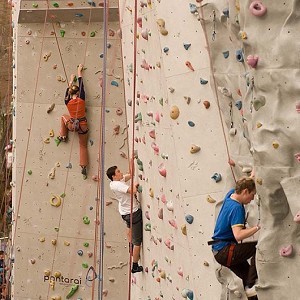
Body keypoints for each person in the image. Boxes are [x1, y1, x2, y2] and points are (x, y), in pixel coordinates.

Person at [209, 177, 260, 299]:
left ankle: (252, 292)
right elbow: (238, 235)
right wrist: (257, 228)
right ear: (245, 192)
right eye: (252, 195)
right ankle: (251, 285)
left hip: (219, 251)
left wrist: (253, 174)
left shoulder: (230, 195)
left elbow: (245, 182)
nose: (252, 198)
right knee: (258, 247)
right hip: (226, 251)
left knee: (248, 276)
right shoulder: (236, 208)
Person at [106, 165, 143, 273]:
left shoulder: (114, 182)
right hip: (133, 213)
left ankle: (130, 244)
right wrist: (135, 186)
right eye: (118, 171)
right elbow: (133, 191)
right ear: (114, 176)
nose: (120, 172)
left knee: (129, 227)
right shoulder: (117, 185)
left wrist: (131, 162)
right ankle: (135, 266)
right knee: (138, 242)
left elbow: (130, 175)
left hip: (125, 212)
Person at [57, 64, 89, 178]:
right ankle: (83, 166)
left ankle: (63, 136)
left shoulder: (67, 101)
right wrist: (79, 71)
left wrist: (70, 81)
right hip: (83, 125)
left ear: (70, 94)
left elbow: (67, 92)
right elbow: (81, 85)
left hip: (72, 125)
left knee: (63, 117)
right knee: (83, 146)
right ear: (78, 92)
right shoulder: (82, 98)